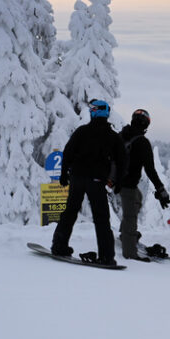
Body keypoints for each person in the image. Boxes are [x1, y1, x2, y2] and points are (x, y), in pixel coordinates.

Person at [51, 99, 126, 265]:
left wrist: (63, 174)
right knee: (101, 218)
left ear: (93, 112)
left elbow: (68, 152)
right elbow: (122, 161)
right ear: (106, 114)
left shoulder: (82, 131)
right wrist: (118, 182)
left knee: (70, 212)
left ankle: (59, 246)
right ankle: (106, 256)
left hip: (77, 177)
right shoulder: (112, 136)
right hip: (97, 180)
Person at [118, 109, 170, 261]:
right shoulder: (142, 142)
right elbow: (150, 170)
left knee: (137, 198)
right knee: (130, 217)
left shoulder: (121, 135)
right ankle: (129, 252)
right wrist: (161, 190)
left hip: (117, 181)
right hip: (128, 184)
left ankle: (125, 235)